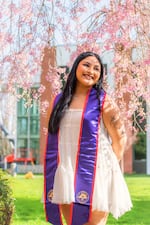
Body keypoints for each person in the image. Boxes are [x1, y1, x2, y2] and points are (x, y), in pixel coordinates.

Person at [44, 51, 132, 225]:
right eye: (86, 65)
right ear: (76, 67)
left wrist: (108, 169)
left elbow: (119, 139)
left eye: (96, 68)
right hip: (67, 170)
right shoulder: (59, 101)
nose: (91, 71)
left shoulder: (104, 102)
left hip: (97, 170)